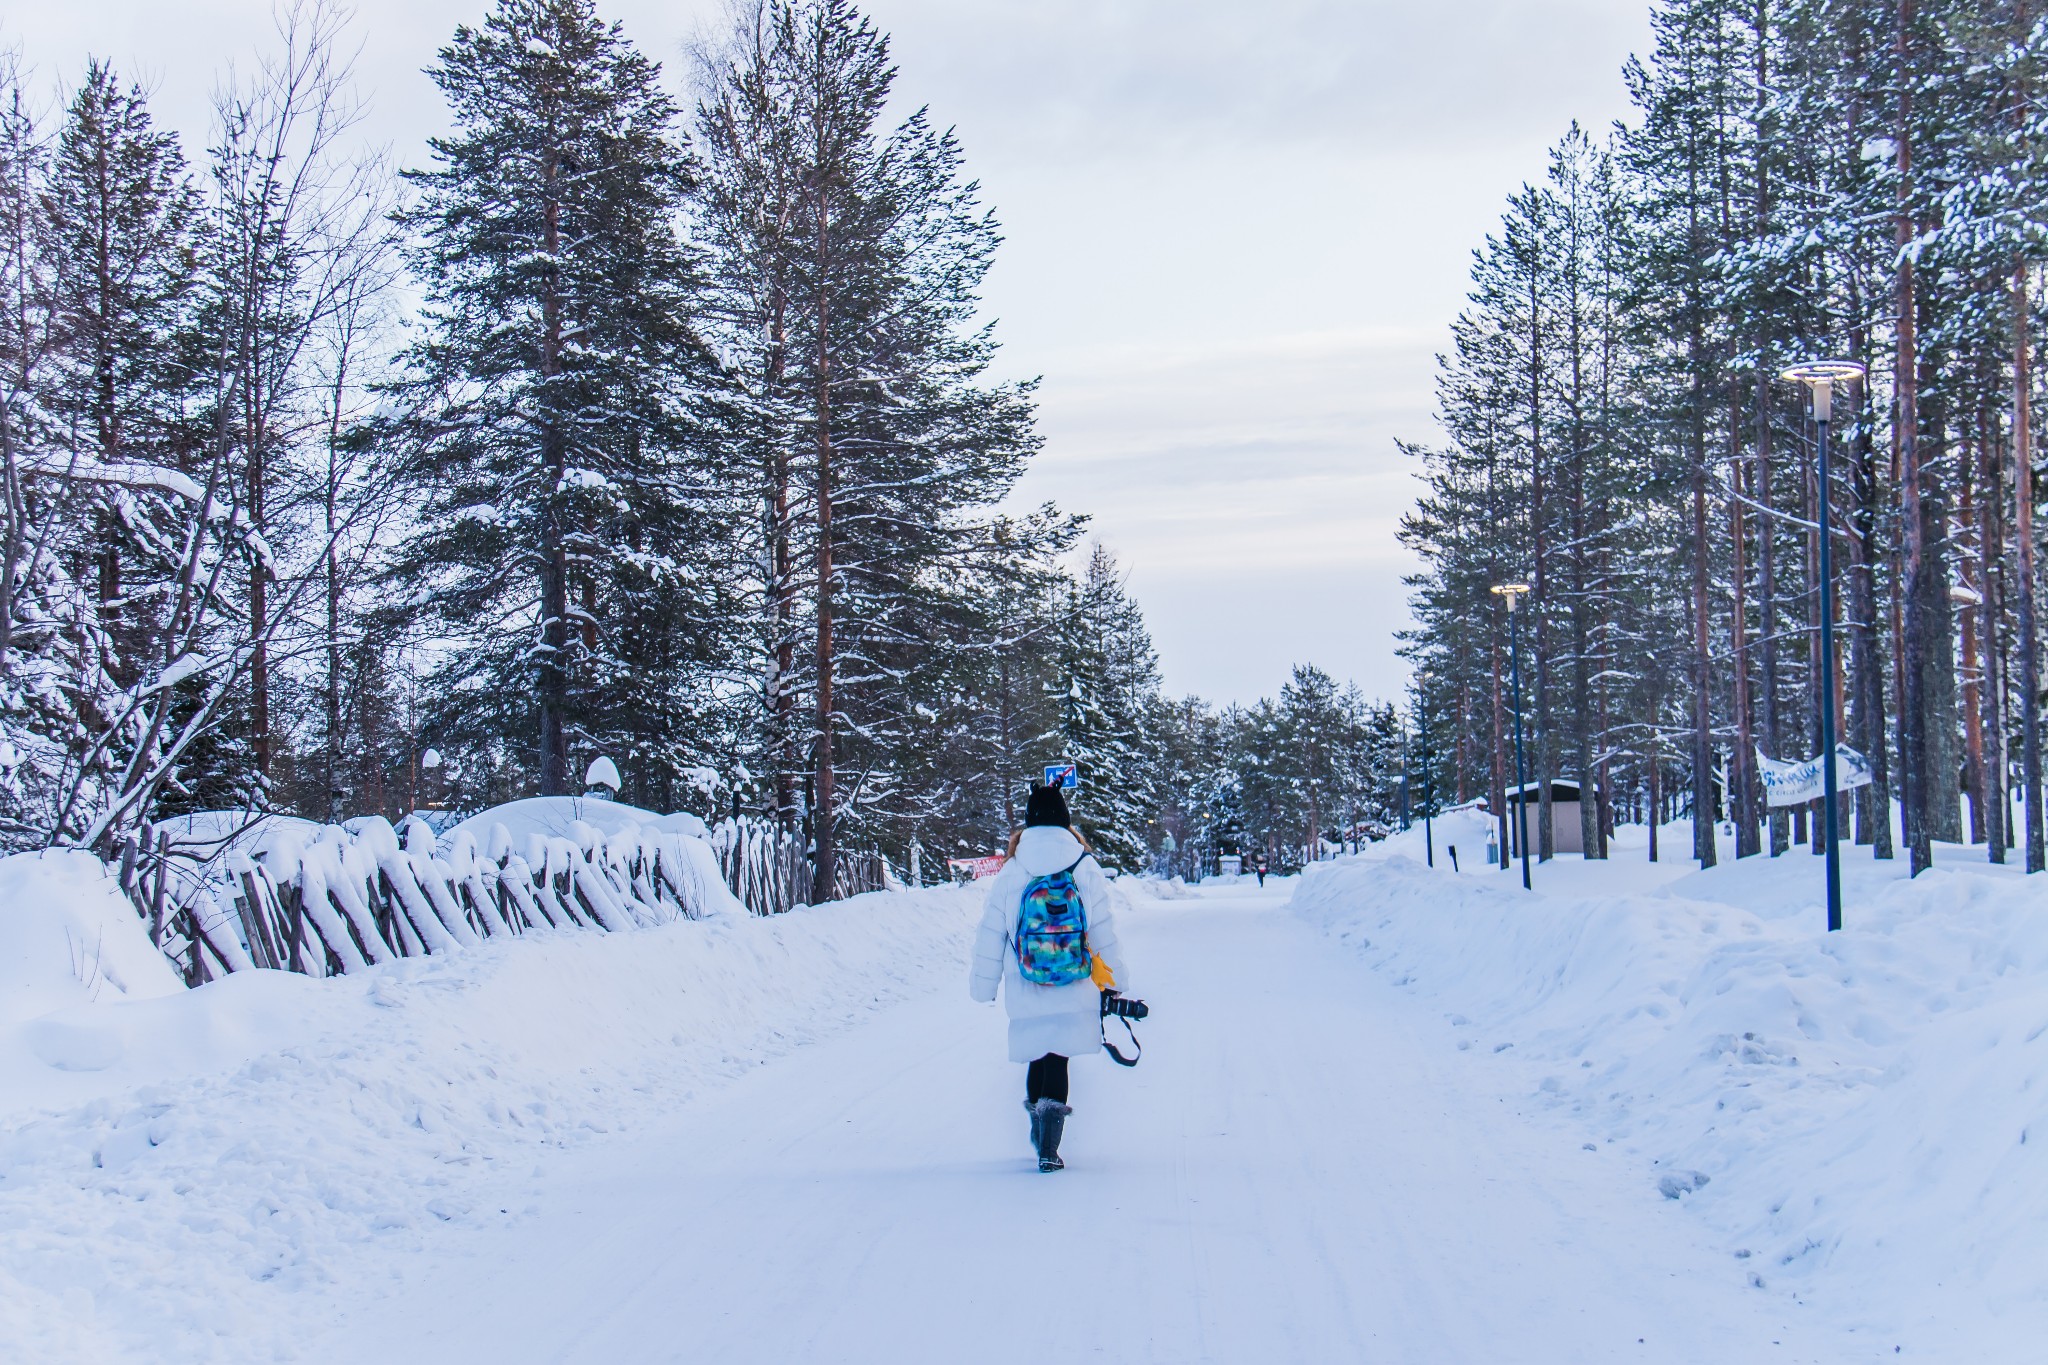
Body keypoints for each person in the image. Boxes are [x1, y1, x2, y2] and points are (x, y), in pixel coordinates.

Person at [969, 785, 1129, 1172]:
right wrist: (1115, 979)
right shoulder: (1083, 865)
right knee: (1058, 1056)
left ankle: (1039, 1129)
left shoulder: (1014, 868)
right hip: (1073, 980)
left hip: (1026, 979)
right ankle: (1049, 1146)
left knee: (1037, 1053)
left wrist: (984, 985)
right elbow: (1101, 929)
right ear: (1064, 819)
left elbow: (992, 931)